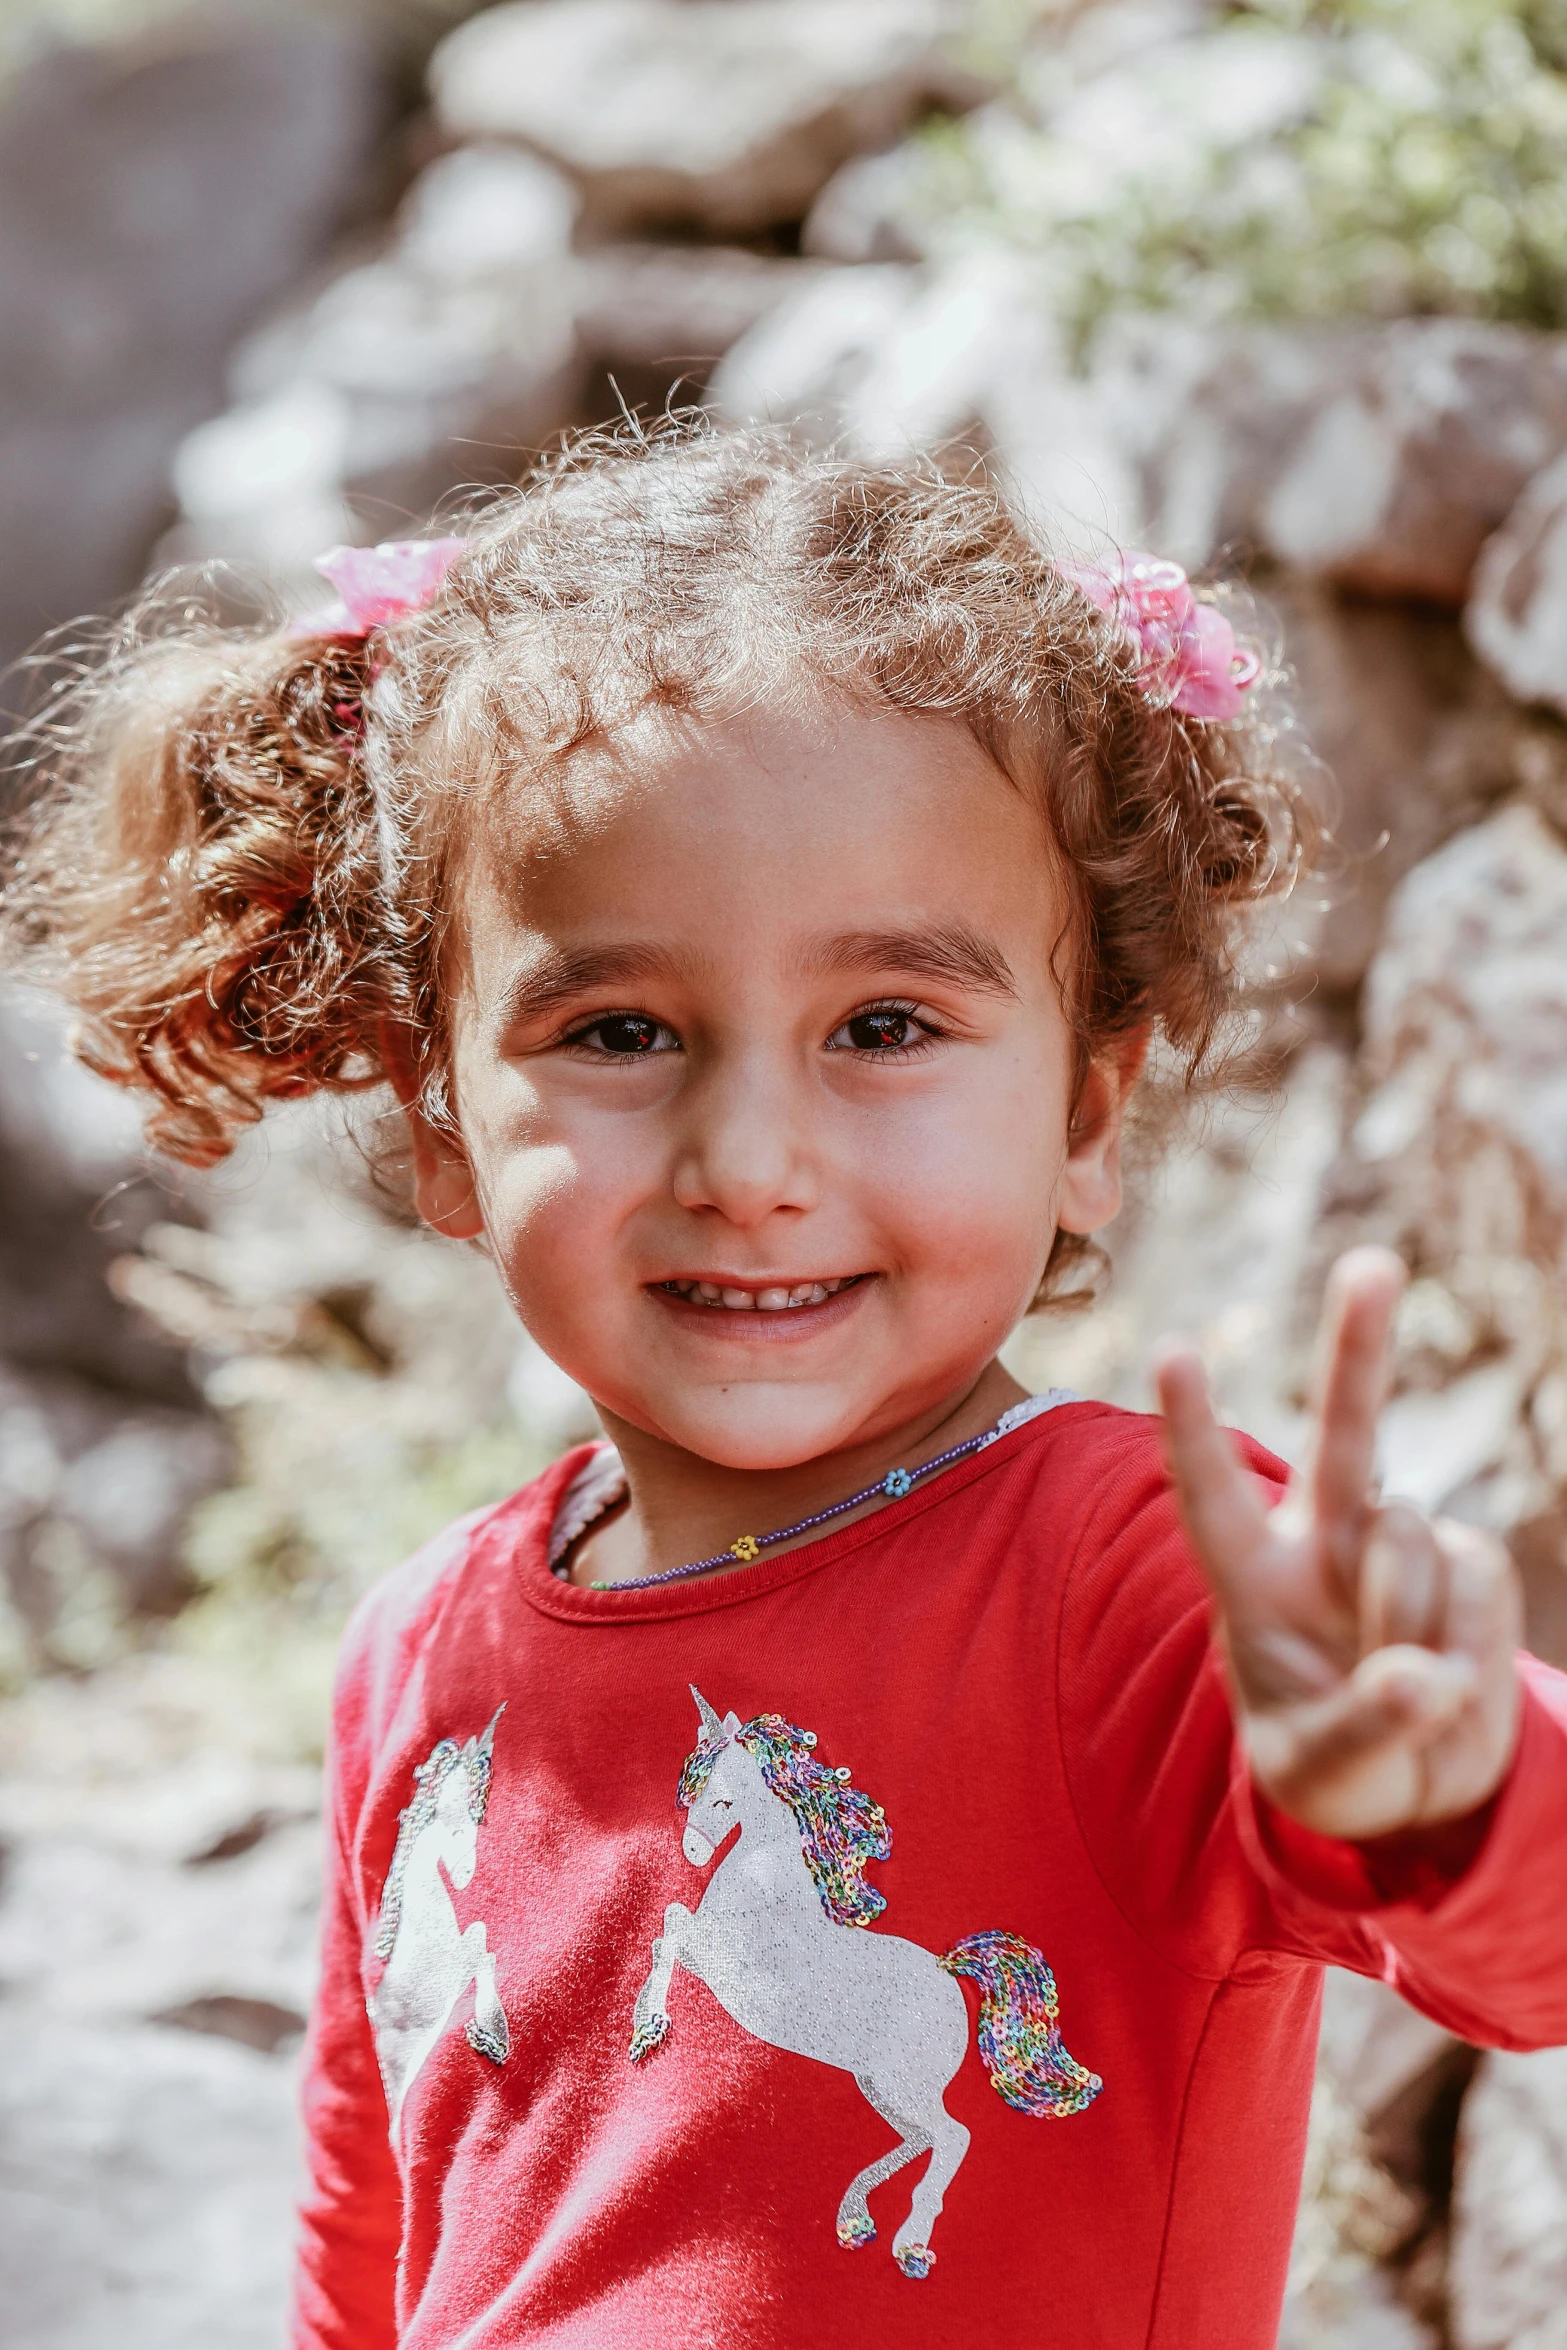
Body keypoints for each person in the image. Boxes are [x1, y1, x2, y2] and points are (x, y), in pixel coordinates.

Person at [4, 427, 1564, 2350]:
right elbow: (373, 2227)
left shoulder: (1126, 1572)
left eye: (884, 1026)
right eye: (621, 1029)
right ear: (437, 1117)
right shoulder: (420, 1648)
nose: (749, 1155)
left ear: (1087, 1110)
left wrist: (1452, 1793)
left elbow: (1538, 1947)